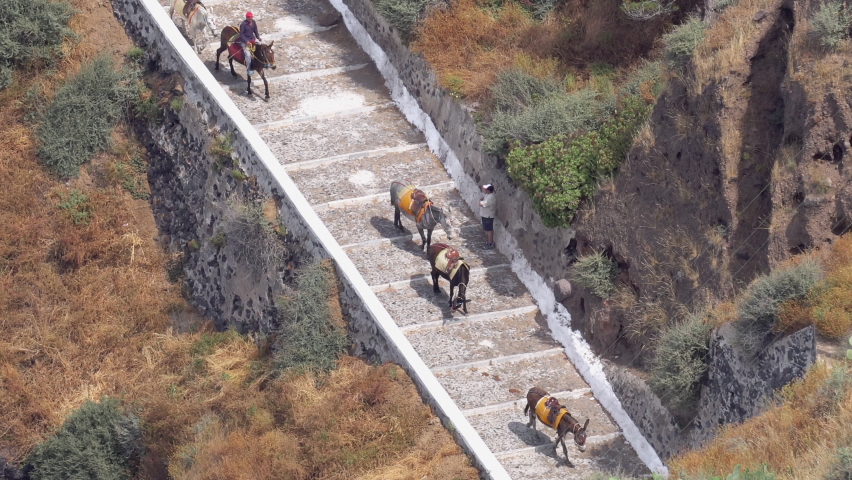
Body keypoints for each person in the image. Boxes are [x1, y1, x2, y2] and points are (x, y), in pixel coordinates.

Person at [479, 184, 496, 249]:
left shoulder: (491, 197)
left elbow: (481, 204)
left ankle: (490, 243)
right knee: (488, 229)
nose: (485, 190)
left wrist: (480, 201)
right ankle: (489, 241)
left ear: (489, 190)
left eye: (486, 189)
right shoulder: (488, 195)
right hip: (485, 214)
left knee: (489, 229)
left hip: (488, 215)